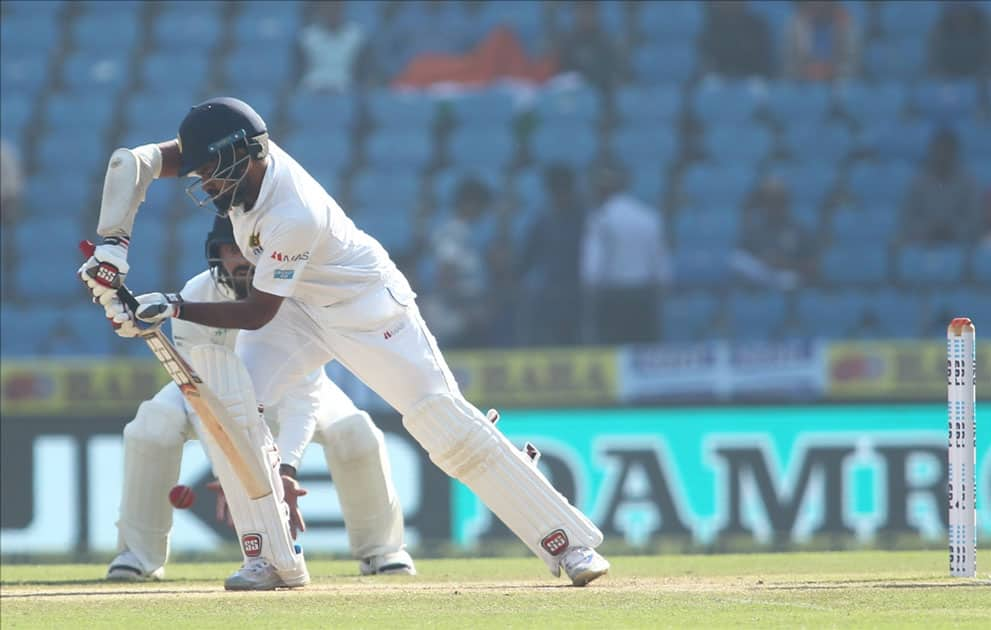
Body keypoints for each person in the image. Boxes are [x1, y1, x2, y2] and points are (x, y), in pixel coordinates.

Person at [79, 97, 609, 587]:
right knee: (228, 410)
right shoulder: (237, 165)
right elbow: (134, 162)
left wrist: (171, 306)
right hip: (299, 308)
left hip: (365, 308)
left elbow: (258, 313)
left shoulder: (293, 214)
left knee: (442, 424)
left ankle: (571, 546)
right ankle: (271, 557)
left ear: (243, 158)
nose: (205, 186)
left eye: (210, 172)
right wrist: (113, 248)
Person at [106, 216, 414, 587]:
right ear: (216, 253)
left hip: (292, 391)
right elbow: (199, 395)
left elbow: (305, 392)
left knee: (356, 432)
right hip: (210, 392)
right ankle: (138, 556)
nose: (243, 260)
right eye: (233, 249)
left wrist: (285, 468)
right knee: (151, 427)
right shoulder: (194, 296)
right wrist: (231, 470)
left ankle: (383, 551)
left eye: (251, 249)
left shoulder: (299, 292)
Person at [581, 164, 671, 344]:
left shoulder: (601, 218)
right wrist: (662, 285)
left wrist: (590, 289)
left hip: (614, 295)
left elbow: (593, 266)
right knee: (642, 349)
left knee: (613, 348)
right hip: (643, 293)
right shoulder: (648, 216)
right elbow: (660, 260)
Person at [519, 164, 585, 346]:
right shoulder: (543, 221)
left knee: (575, 341)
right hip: (552, 293)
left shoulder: (585, 219)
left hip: (578, 292)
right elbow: (526, 260)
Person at [731, 174, 817, 290]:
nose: (773, 205)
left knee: (789, 280)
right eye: (769, 201)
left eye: (778, 200)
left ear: (786, 202)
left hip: (788, 281)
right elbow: (742, 260)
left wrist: (785, 263)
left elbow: (812, 266)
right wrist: (763, 261)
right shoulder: (755, 229)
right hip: (759, 282)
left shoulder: (798, 230)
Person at [900, 128, 982, 246]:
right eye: (939, 151)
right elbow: (907, 218)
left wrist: (952, 230)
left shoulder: (968, 182)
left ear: (954, 153)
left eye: (947, 151)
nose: (942, 156)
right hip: (923, 244)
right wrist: (928, 230)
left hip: (960, 246)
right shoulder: (917, 183)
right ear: (932, 152)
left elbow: (974, 219)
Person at [298, 1, 369, 92]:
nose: (332, 11)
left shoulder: (357, 36)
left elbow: (364, 71)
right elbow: (297, 71)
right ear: (320, 10)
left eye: (336, 7)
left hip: (346, 89)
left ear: (343, 9)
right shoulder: (307, 37)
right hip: (312, 89)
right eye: (328, 8)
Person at [782, 0, 860, 81]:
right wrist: (804, 70)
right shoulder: (796, 24)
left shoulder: (846, 24)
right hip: (801, 83)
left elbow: (853, 62)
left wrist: (833, 70)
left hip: (838, 83)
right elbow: (788, 62)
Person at [698, 0, 775, 79]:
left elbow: (764, 60)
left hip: (753, 78)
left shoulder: (758, 26)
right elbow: (707, 58)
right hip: (719, 78)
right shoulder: (711, 27)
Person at [928, 1, 990, 78]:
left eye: (963, 7)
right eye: (957, 8)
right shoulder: (940, 30)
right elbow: (934, 59)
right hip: (948, 76)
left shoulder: (985, 28)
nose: (961, 12)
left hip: (979, 76)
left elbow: (988, 57)